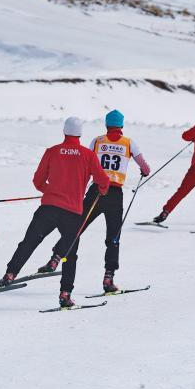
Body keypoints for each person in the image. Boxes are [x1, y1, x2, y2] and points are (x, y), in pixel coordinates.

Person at [0, 117, 111, 309]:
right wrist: (103, 190)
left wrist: (49, 191)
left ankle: (10, 274)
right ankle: (65, 294)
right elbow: (103, 181)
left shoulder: (52, 151)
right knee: (69, 255)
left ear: (64, 131)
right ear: (80, 134)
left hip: (48, 208)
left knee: (29, 242)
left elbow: (37, 181)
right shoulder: (88, 155)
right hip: (72, 213)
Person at [36, 110, 151, 293]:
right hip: (114, 194)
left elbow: (85, 163)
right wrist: (144, 171)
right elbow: (145, 167)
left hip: (96, 192)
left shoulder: (97, 141)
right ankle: (108, 278)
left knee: (76, 228)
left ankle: (55, 259)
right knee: (113, 237)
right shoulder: (129, 143)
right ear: (121, 125)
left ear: (107, 125)